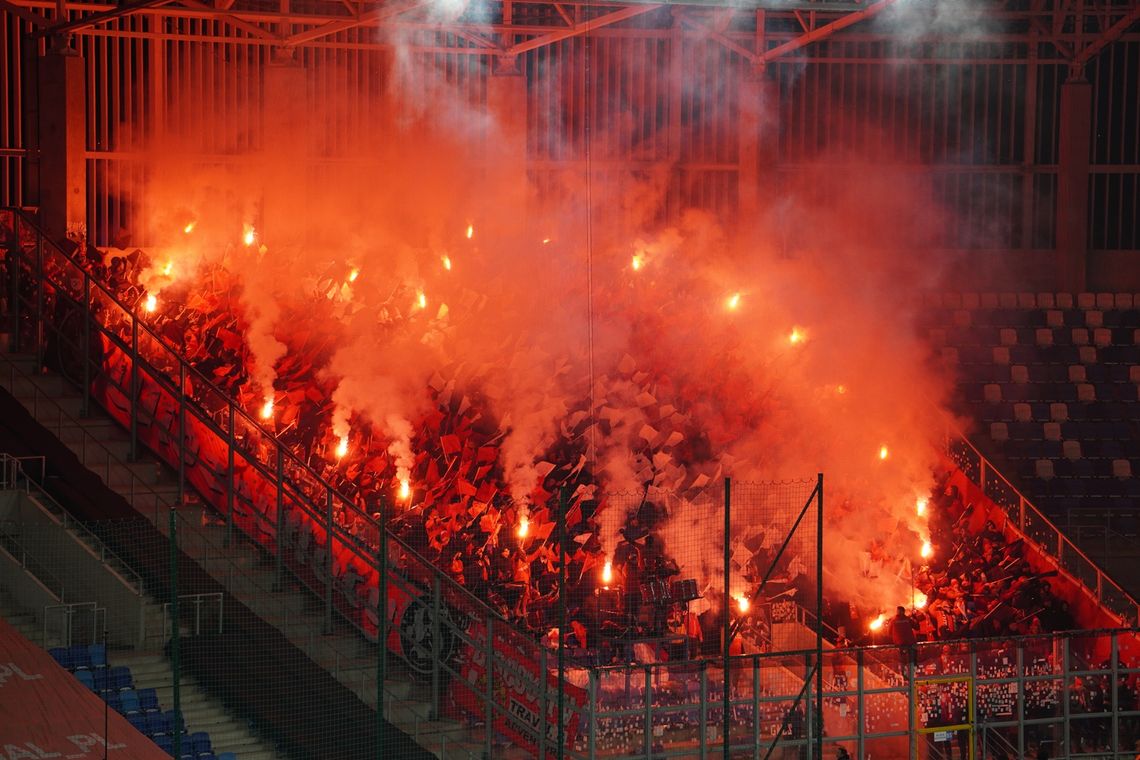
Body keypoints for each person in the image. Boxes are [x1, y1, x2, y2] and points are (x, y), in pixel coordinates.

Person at [889, 605, 917, 669]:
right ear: (904, 612)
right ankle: (913, 668)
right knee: (912, 656)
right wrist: (915, 618)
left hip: (899, 643)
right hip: (910, 642)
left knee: (902, 659)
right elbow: (916, 627)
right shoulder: (908, 619)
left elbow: (889, 632)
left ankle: (903, 671)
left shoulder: (893, 621)